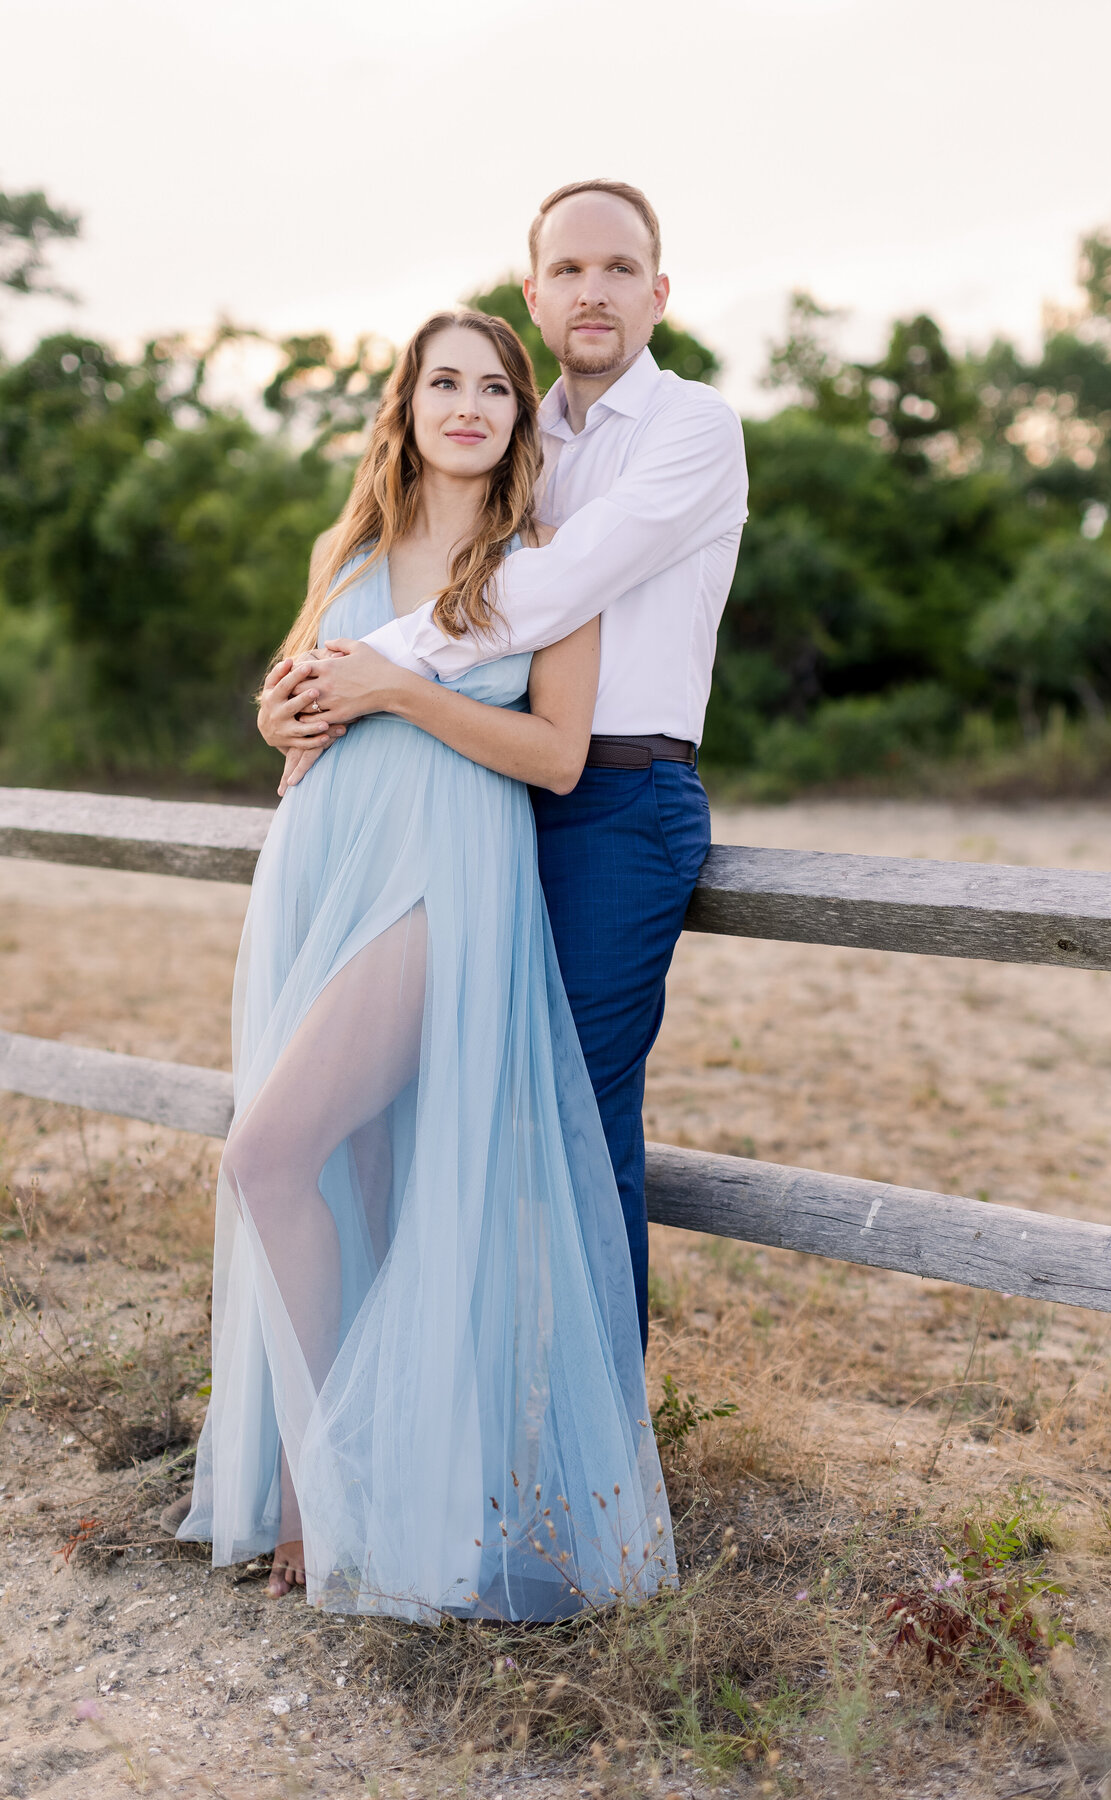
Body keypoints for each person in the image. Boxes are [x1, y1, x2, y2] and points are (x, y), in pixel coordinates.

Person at [179, 308, 673, 1619]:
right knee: (361, 1185)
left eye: (494, 387)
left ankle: (317, 1497)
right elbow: (299, 711)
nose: (468, 404)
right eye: (442, 382)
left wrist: (400, 693)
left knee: (267, 1155)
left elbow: (558, 756)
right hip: (324, 867)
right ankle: (386, 1491)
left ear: (521, 415)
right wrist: (279, 714)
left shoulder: (549, 561)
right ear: (403, 404)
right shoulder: (346, 542)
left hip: (439, 879)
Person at [260, 179, 749, 1351]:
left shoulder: (691, 428)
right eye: (570, 271)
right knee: (426, 1116)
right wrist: (295, 704)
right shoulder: (530, 439)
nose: (594, 290)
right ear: (533, 294)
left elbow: (554, 589)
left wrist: (366, 669)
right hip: (477, 807)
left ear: (658, 292)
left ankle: (600, 1469)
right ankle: (429, 1429)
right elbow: (415, 562)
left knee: (567, 1118)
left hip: (618, 798)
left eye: (620, 269)